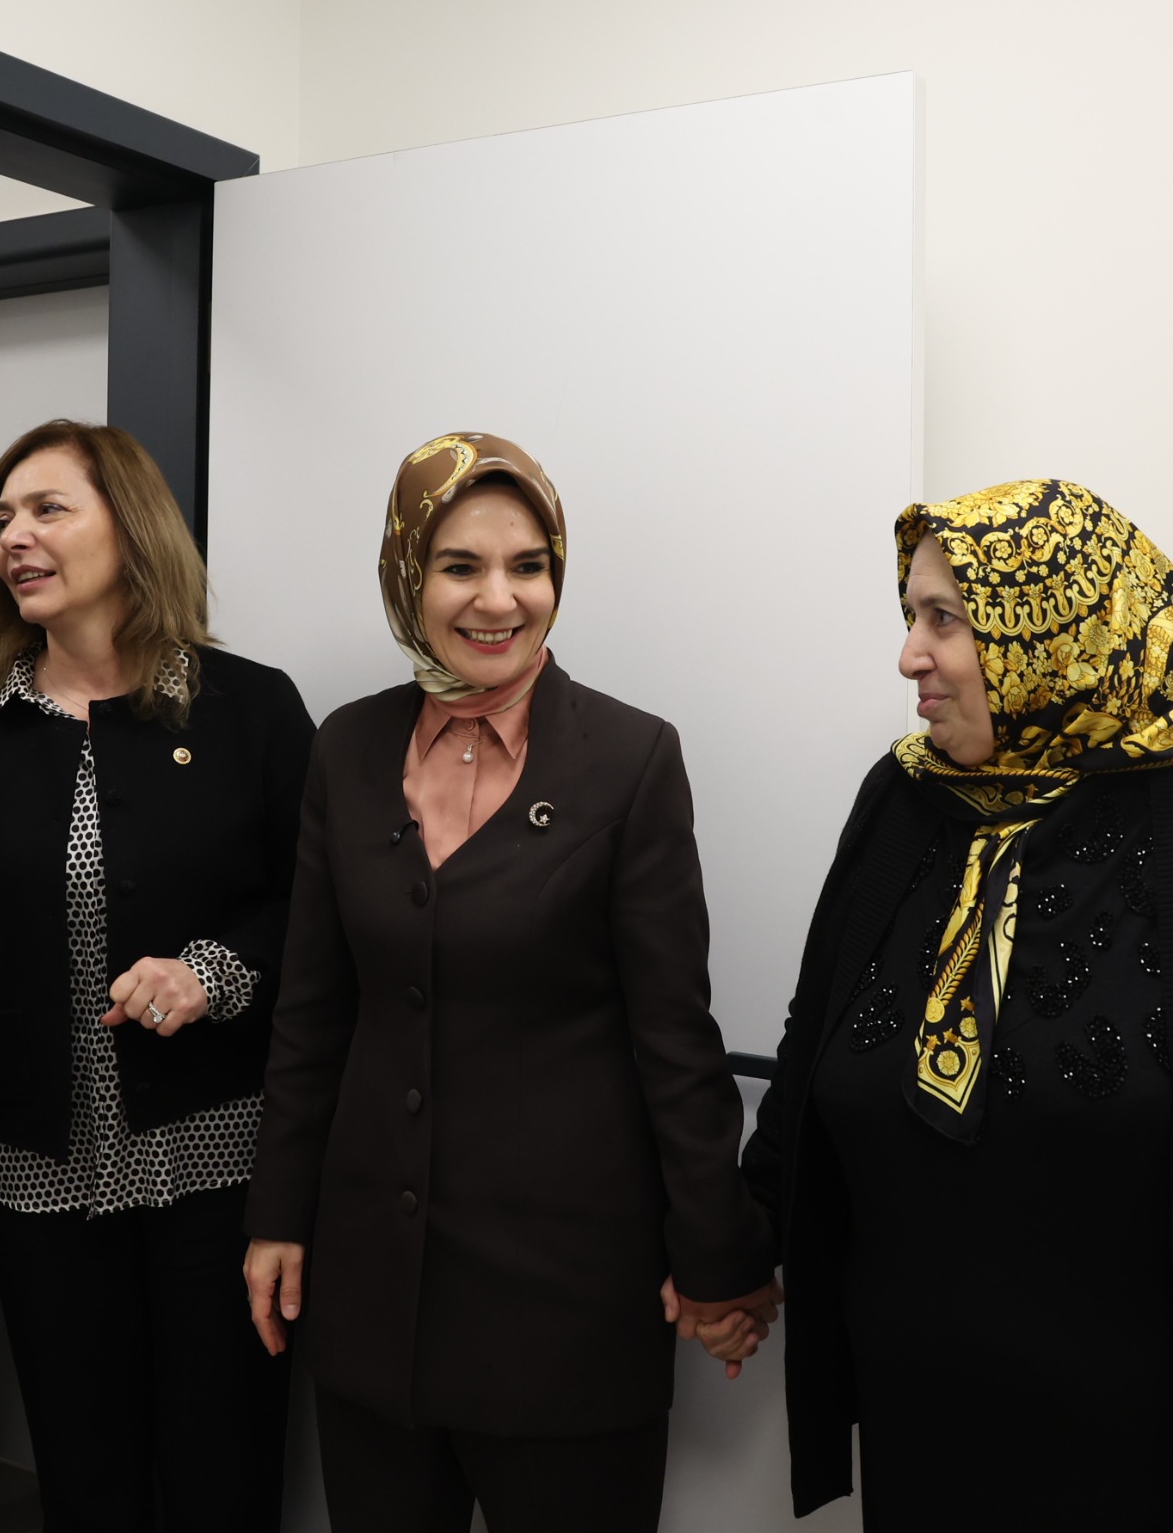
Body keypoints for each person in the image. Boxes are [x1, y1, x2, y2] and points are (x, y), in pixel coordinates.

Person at [713, 480, 1173, 1531]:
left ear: (1050, 625)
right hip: (930, 1436)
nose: (910, 655)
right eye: (911, 616)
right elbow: (813, 1054)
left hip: (1168, 1456)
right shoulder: (900, 802)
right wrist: (740, 1248)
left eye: (945, 620)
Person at [242, 432, 777, 1533]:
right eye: (459, 566)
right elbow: (312, 1015)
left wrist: (718, 1259)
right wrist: (278, 1215)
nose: (500, 599)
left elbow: (673, 1036)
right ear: (407, 573)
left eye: (528, 565)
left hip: (567, 1304)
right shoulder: (347, 747)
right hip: (373, 1294)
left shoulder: (629, 758)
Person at [0, 420, 314, 1533]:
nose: (13, 538)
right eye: (2, 519)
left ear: (130, 528)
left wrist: (217, 971)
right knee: (86, 1481)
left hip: (221, 1169)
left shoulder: (251, 708)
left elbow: (323, 916)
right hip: (37, 1180)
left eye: (48, 509)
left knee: (225, 1473)